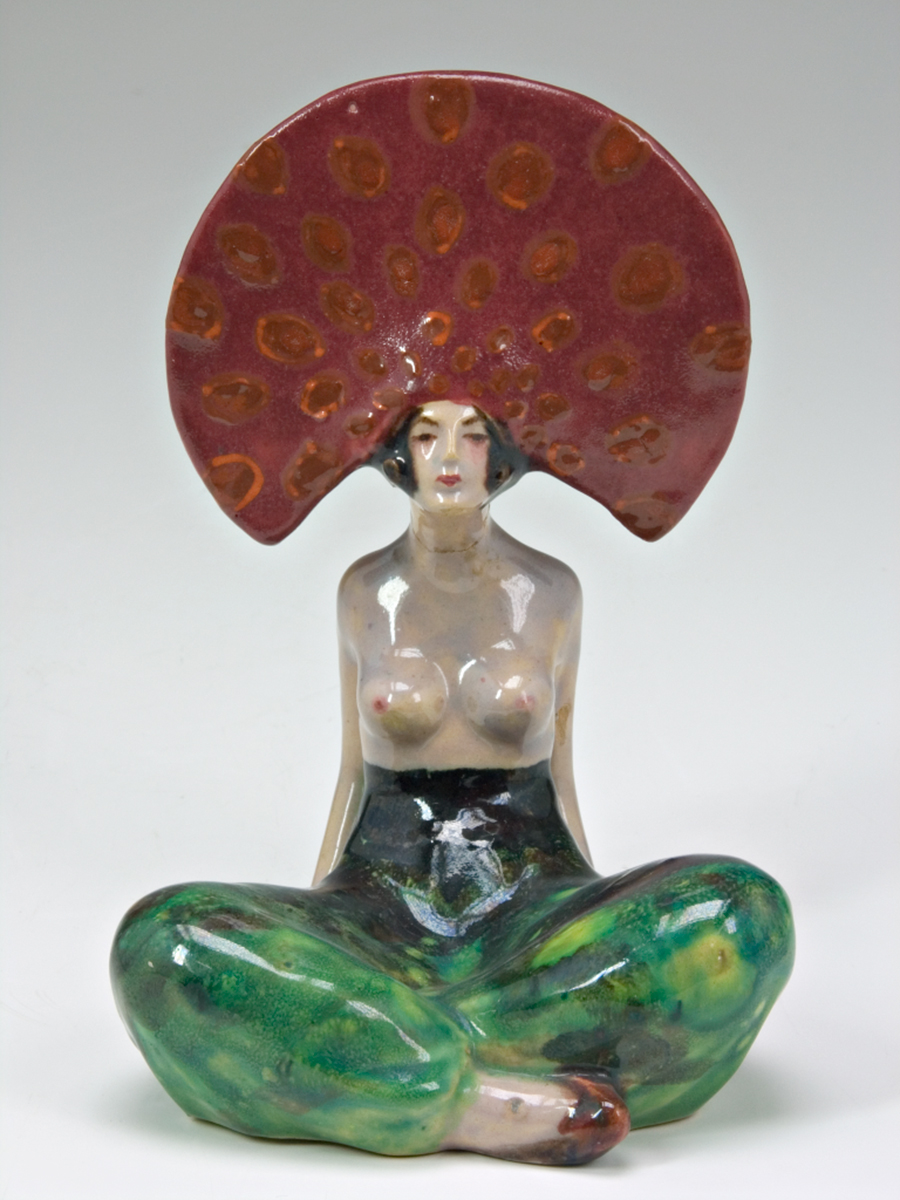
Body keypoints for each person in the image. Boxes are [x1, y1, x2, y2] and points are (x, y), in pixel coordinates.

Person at [111, 399, 794, 1166]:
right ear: (396, 455)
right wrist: (318, 925)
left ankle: (374, 1045)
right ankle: (490, 1092)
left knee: (740, 909)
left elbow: (561, 769)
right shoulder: (364, 593)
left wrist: (585, 929)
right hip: (380, 898)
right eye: (427, 435)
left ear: (502, 457)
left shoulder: (552, 592)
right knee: (164, 941)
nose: (449, 457)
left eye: (472, 437)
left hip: (527, 899)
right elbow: (352, 771)